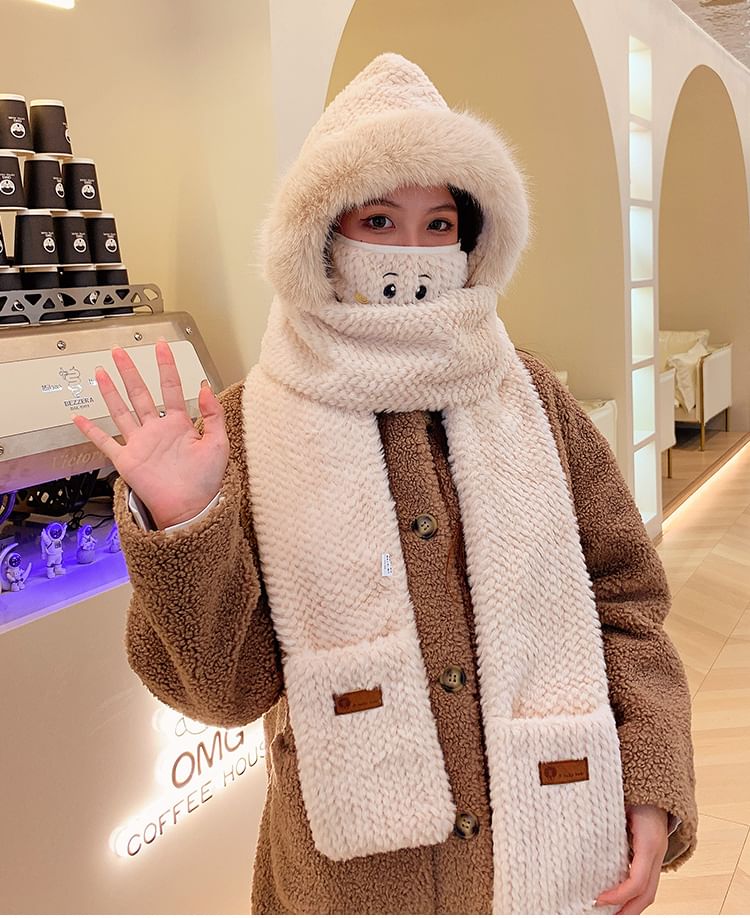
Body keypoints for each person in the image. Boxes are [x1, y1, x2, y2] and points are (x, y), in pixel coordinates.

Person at [72, 53, 697, 915]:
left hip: (556, 858)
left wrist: (650, 781)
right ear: (324, 234)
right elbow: (224, 693)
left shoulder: (529, 396)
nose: (412, 251)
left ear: (473, 238)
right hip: (348, 888)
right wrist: (186, 523)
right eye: (379, 219)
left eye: (439, 223)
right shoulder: (248, 423)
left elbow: (625, 599)